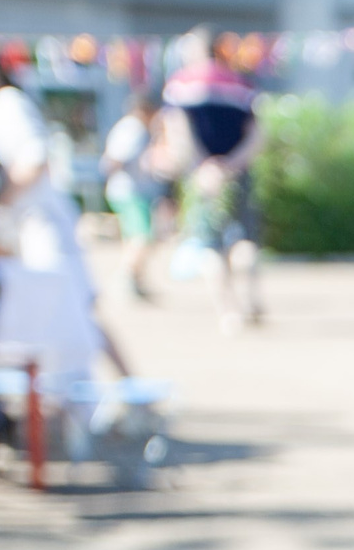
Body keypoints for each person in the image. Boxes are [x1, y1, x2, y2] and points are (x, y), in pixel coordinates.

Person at [0, 52, 131, 385]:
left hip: (43, 225)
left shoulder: (7, 104)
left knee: (71, 315)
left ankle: (115, 394)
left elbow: (34, 163)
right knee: (66, 316)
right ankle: (116, 392)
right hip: (31, 226)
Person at [159, 27, 263, 332]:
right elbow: (258, 135)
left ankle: (229, 313)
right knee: (245, 240)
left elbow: (179, 131)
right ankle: (252, 300)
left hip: (203, 176)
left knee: (210, 246)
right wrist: (232, 164)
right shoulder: (242, 84)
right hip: (239, 172)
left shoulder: (181, 84)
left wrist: (204, 166)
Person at [101, 93, 173, 301]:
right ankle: (126, 279)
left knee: (136, 238)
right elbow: (113, 161)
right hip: (129, 191)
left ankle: (136, 280)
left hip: (134, 190)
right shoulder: (132, 128)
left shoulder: (139, 128)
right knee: (142, 237)